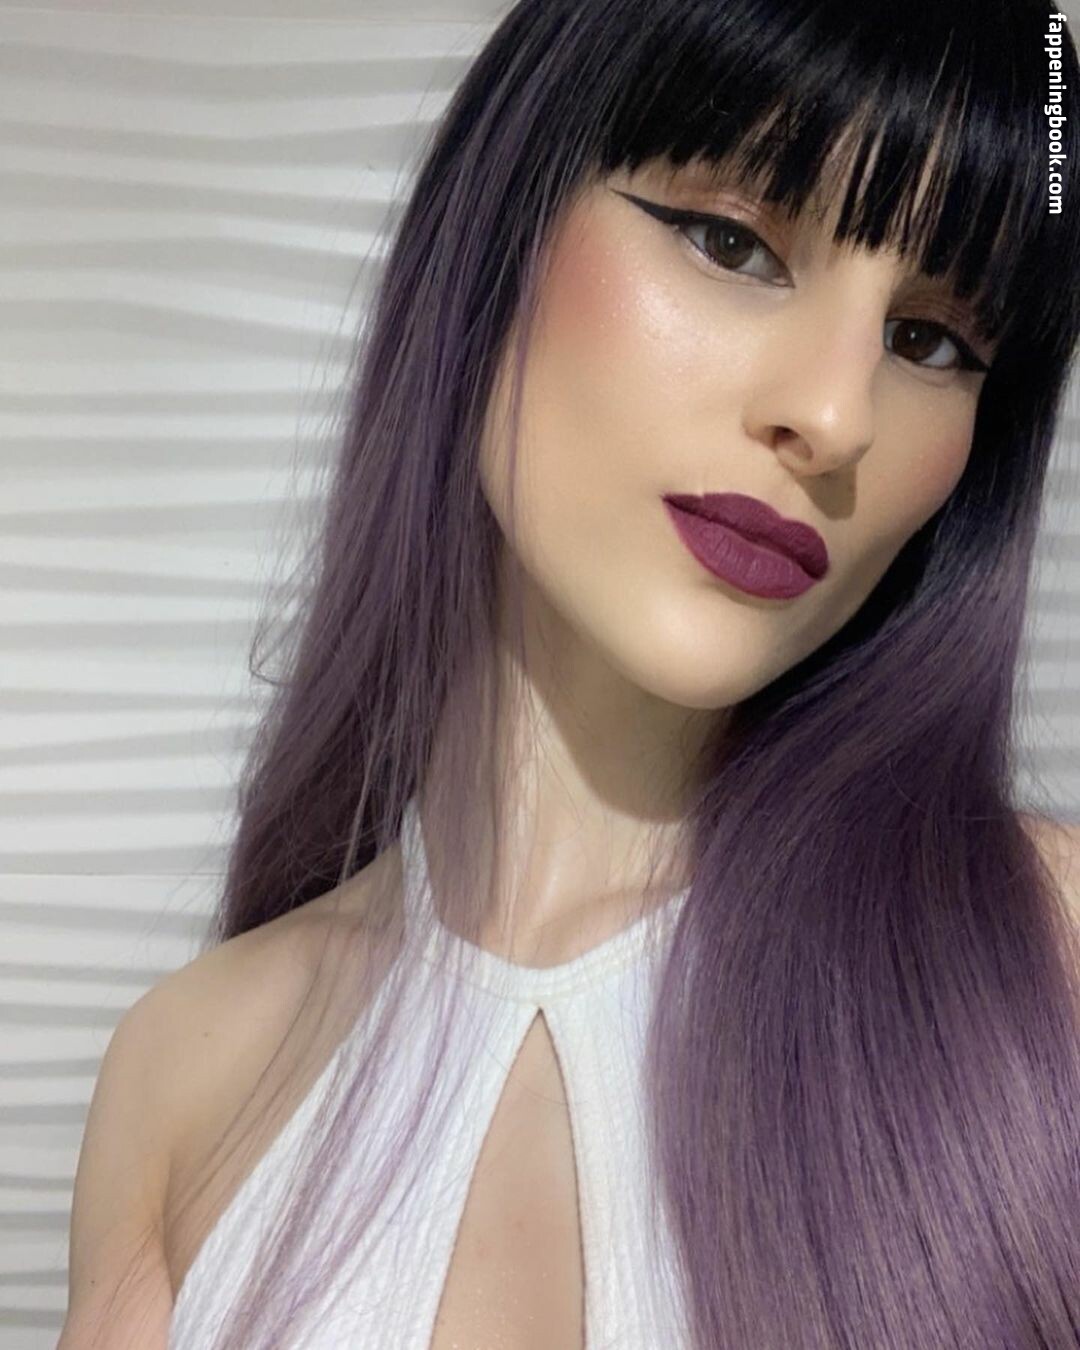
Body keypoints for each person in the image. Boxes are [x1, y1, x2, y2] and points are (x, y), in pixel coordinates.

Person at [60, 1, 1080, 1347]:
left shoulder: (1045, 959)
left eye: (931, 340)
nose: (835, 416)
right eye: (732, 241)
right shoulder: (186, 1070)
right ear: (497, 234)